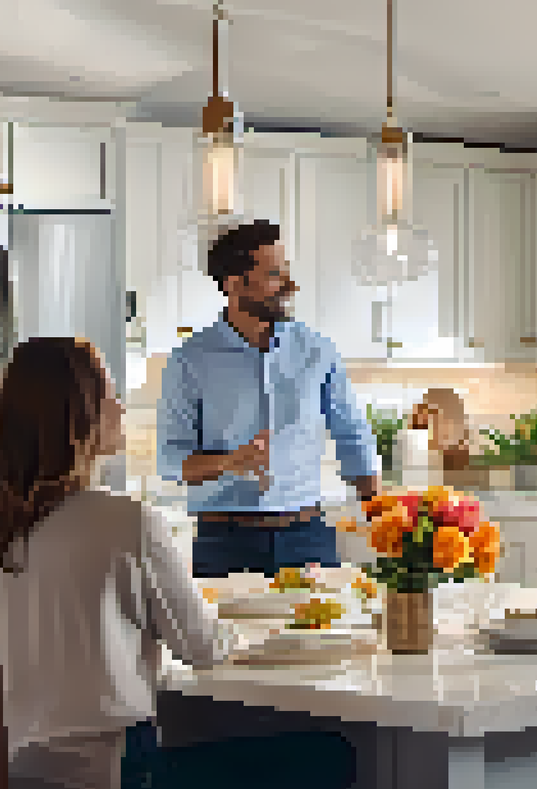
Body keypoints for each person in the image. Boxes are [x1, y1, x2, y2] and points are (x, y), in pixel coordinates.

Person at [0, 337, 233, 789]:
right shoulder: (129, 521)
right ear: (77, 416)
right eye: (108, 394)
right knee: (325, 756)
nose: (120, 407)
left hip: (8, 772)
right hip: (109, 773)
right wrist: (254, 631)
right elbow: (202, 647)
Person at [157, 220, 382, 578]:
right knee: (226, 635)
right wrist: (232, 462)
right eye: (274, 275)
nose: (290, 286)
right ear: (234, 283)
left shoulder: (317, 350)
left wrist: (380, 513)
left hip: (308, 536)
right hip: (224, 543)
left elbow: (351, 433)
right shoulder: (190, 359)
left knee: (327, 633)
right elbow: (171, 460)